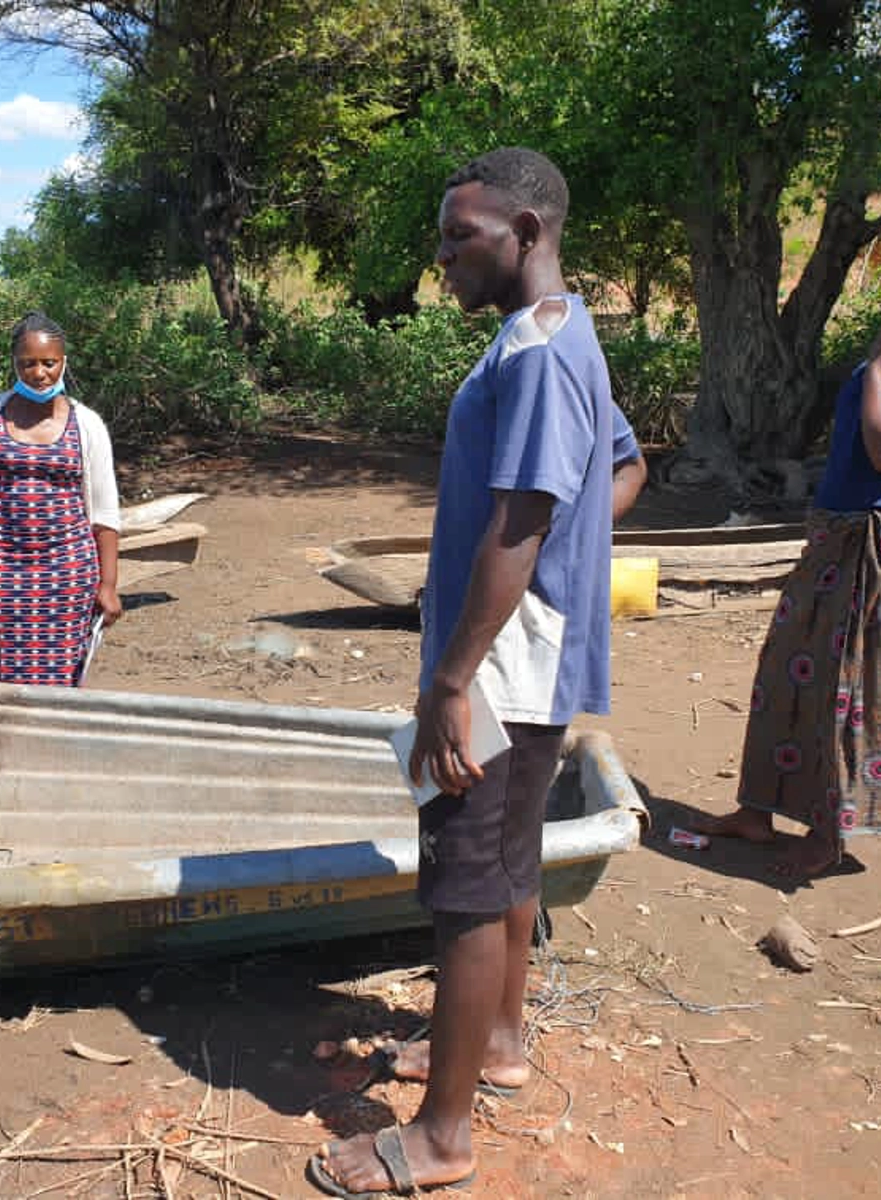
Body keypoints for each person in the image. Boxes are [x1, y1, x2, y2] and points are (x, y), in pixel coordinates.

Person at [309, 147, 615, 1198]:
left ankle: (441, 1139)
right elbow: (617, 468)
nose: (441, 257)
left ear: (525, 232)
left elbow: (522, 516)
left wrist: (452, 677)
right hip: (525, 648)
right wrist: (570, 564)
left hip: (501, 664)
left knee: (468, 890)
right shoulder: (553, 335)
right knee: (513, 862)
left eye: (459, 236)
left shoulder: (535, 355)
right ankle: (499, 1043)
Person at [693, 249, 881, 878]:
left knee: (853, 692)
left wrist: (880, 372)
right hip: (835, 535)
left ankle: (828, 835)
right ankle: (757, 810)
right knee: (785, 672)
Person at [0, 312, 123, 686]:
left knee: (65, 682)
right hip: (2, 572)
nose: (40, 372)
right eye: (28, 363)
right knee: (7, 681)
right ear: (14, 363)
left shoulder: (87, 423)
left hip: (70, 573)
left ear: (64, 361)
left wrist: (107, 586)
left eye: (50, 362)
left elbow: (106, 512)